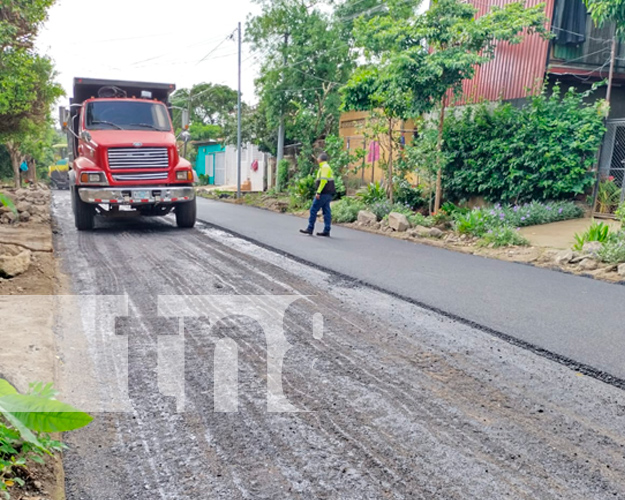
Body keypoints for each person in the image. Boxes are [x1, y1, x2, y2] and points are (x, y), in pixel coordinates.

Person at [300, 152, 335, 237]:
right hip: (328, 192)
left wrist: (318, 192)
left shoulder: (324, 167)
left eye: (318, 158)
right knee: (326, 211)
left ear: (320, 159)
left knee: (313, 209)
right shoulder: (326, 167)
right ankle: (326, 230)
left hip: (323, 192)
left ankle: (310, 228)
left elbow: (323, 181)